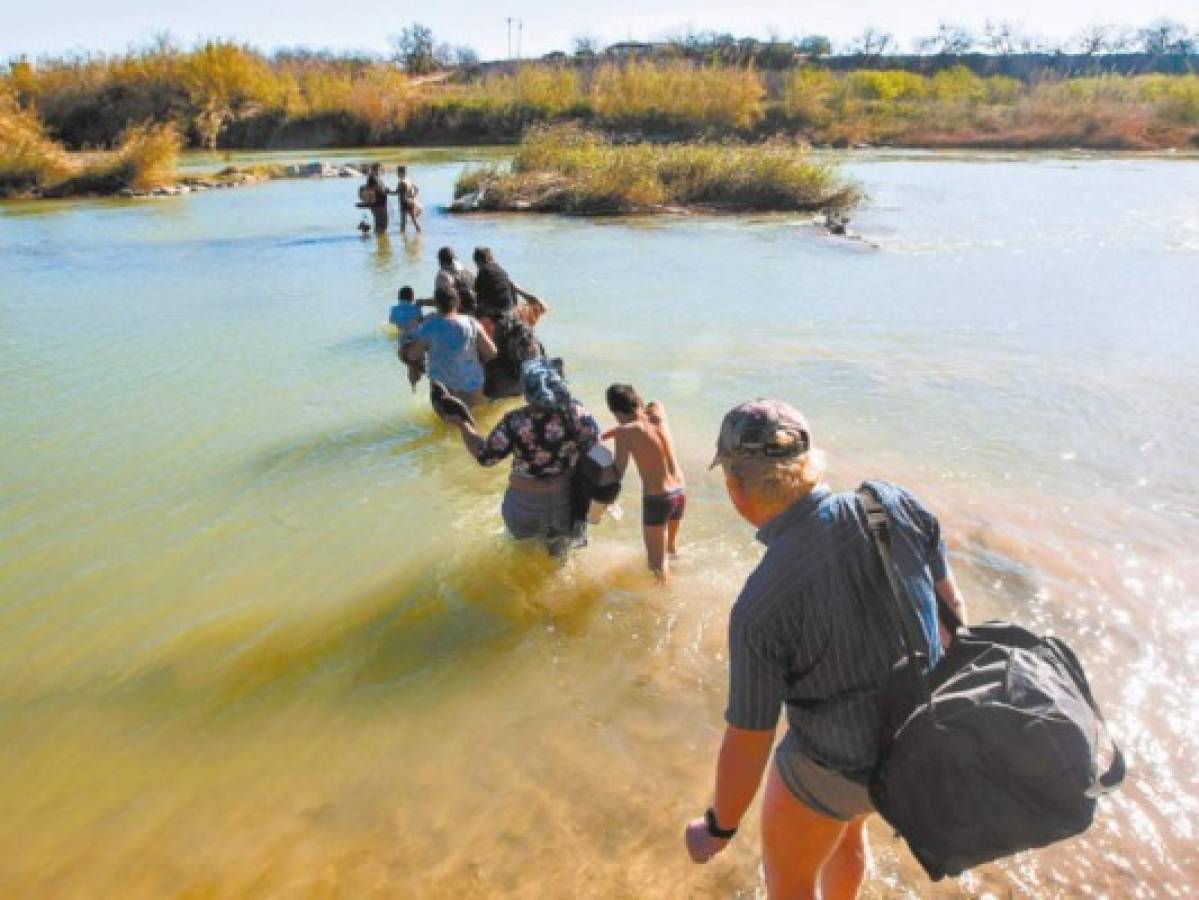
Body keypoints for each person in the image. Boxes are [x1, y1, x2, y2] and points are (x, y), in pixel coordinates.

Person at [683, 399, 967, 900]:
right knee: (849, 827)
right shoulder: (892, 502)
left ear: (735, 490)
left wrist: (718, 828)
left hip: (838, 764)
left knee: (790, 884)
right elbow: (951, 616)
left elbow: (750, 738)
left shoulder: (760, 604)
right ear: (811, 464)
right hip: (914, 740)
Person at [444, 358, 600, 556]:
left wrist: (463, 424)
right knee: (560, 560)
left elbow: (486, 457)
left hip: (524, 503)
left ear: (526, 391)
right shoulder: (578, 414)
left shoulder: (515, 421)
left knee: (521, 558)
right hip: (566, 502)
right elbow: (598, 455)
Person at [604, 384, 685, 580]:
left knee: (656, 566)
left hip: (658, 499)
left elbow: (618, 471)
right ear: (638, 401)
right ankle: (680, 577)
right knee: (671, 550)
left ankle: (665, 606)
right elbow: (648, 412)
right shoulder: (657, 413)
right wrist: (612, 432)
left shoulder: (625, 432)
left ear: (614, 411)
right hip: (680, 492)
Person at [409, 286, 496, 412]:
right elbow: (492, 352)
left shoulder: (428, 325)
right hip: (472, 384)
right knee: (478, 420)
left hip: (443, 389)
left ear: (436, 304)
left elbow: (413, 355)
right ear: (458, 302)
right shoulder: (471, 322)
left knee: (449, 426)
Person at [472, 246, 547, 326]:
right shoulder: (500, 269)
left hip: (495, 311)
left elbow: (477, 293)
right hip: (509, 308)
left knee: (473, 312)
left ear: (478, 261)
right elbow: (507, 285)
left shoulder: (484, 270)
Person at [390, 286, 427, 390]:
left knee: (411, 366)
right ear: (412, 297)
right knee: (420, 362)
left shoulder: (394, 309)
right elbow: (420, 321)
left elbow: (392, 321)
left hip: (403, 344)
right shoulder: (415, 308)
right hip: (415, 342)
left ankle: (413, 387)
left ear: (399, 297)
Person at [433, 247, 477, 314]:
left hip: (454, 314)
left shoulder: (442, 276)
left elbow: (442, 301)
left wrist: (423, 302)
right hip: (473, 311)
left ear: (440, 261)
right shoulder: (468, 272)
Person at [359, 163, 389, 233]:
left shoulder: (375, 178)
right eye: (379, 170)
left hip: (381, 203)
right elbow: (374, 189)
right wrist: (385, 190)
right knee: (381, 223)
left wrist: (385, 189)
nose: (381, 171)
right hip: (377, 203)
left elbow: (380, 188)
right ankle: (379, 238)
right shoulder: (372, 178)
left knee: (382, 223)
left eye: (381, 170)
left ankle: (380, 240)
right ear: (374, 170)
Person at [395, 165, 422, 234]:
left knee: (403, 223)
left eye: (397, 172)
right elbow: (417, 189)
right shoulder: (408, 180)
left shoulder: (401, 182)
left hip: (403, 203)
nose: (397, 174)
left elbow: (396, 192)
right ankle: (419, 235)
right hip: (411, 202)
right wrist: (413, 197)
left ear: (400, 172)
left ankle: (403, 238)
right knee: (415, 221)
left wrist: (387, 191)